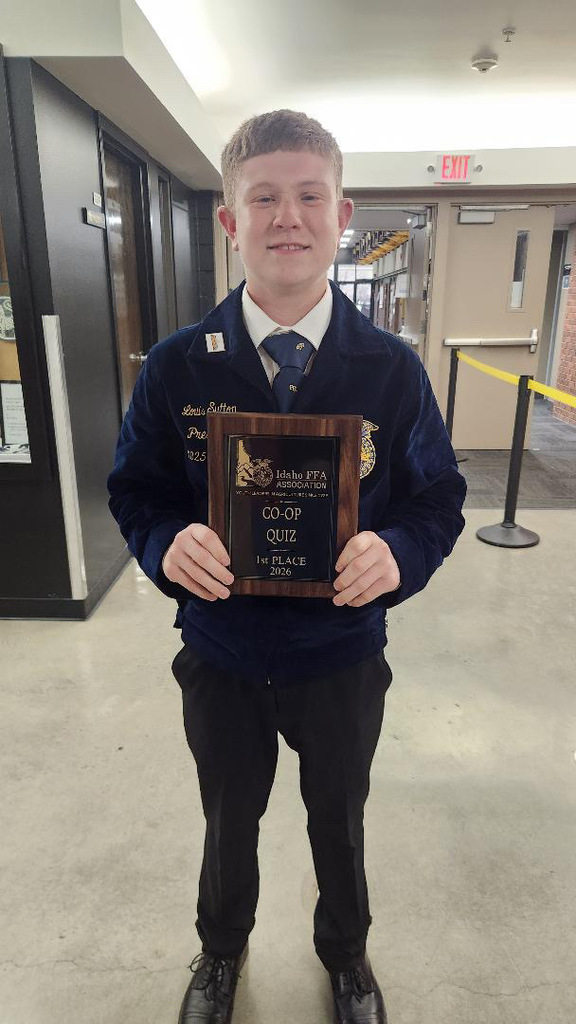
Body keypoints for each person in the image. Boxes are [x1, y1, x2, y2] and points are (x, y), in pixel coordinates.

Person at [107, 109, 467, 1024]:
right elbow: (136, 490)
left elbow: (437, 499)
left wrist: (397, 553)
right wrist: (163, 543)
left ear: (341, 215)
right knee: (227, 820)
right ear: (231, 221)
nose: (288, 217)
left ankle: (346, 957)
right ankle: (220, 952)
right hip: (221, 652)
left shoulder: (390, 371)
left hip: (339, 653)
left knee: (338, 818)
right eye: (263, 198)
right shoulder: (179, 368)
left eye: (309, 196)